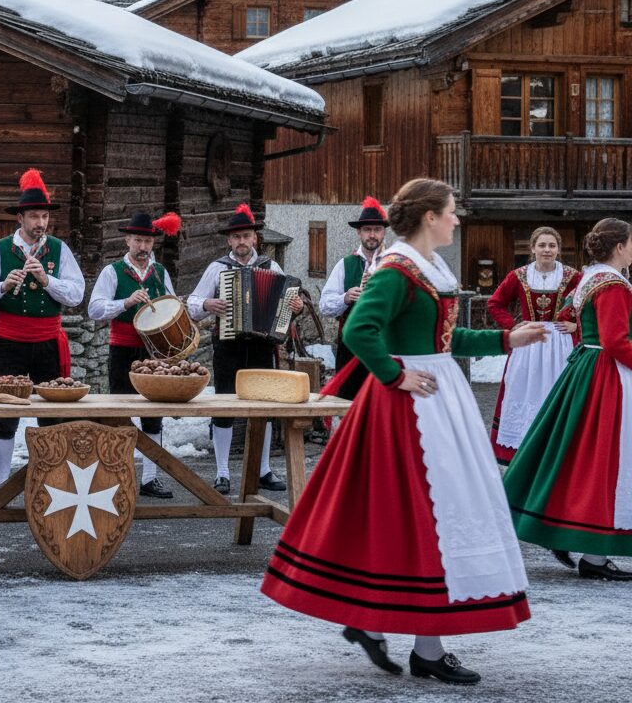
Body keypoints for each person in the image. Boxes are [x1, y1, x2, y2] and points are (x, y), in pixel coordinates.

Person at [261, 178, 544, 685]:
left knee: (426, 518)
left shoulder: (429, 269)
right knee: (423, 518)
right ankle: (417, 642)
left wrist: (506, 337)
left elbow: (442, 336)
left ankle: (395, 629)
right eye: (452, 211)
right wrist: (395, 375)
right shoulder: (396, 269)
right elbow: (357, 330)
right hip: (409, 410)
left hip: (438, 398)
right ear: (430, 217)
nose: (457, 219)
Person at [505, 217, 632, 581]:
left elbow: (567, 315)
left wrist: (579, 327)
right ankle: (591, 551)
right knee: (604, 461)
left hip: (585, 371)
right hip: (608, 376)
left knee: (576, 455)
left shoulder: (590, 278)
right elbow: (616, 341)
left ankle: (562, 529)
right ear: (619, 247)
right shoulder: (612, 284)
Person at [0, 169, 85, 485]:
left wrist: (48, 281)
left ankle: (51, 481)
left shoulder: (58, 250)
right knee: (6, 413)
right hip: (11, 342)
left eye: (44, 217)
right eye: (34, 216)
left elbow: (76, 294)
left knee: (51, 415)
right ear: (20, 218)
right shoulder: (1, 249)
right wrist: (3, 286)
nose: (41, 223)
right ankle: (2, 482)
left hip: (48, 342)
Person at [188, 204, 303, 495]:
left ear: (255, 239)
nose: (241, 242)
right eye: (236, 237)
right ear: (229, 241)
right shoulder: (218, 268)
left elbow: (287, 304)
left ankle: (263, 469)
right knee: (225, 405)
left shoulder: (270, 267)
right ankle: (223, 471)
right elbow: (192, 302)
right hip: (228, 345)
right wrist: (206, 304)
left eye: (246, 236)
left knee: (264, 406)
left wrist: (296, 308)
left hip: (263, 345)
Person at [88, 210, 182, 498]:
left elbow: (172, 304)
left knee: (153, 414)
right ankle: (120, 475)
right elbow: (94, 309)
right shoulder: (112, 271)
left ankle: (150, 479)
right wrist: (125, 302)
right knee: (121, 412)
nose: (143, 247)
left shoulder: (160, 272)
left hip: (154, 351)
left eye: (148, 242)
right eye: (138, 241)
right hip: (123, 348)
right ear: (127, 240)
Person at [486, 227, 579, 464]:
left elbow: (591, 306)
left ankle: (558, 451)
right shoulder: (518, 276)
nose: (547, 250)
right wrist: (514, 326)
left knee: (558, 392)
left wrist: (575, 325)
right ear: (533, 248)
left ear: (558, 249)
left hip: (561, 345)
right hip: (528, 344)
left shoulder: (574, 276)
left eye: (551, 245)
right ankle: (522, 452)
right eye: (542, 245)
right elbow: (495, 304)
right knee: (524, 390)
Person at [318, 196, 389, 400]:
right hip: (351, 350)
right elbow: (325, 306)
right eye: (367, 230)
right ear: (359, 232)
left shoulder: (394, 262)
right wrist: (346, 298)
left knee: (382, 407)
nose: (372, 235)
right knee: (347, 406)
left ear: (384, 232)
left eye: (376, 230)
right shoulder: (345, 264)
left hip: (386, 347)